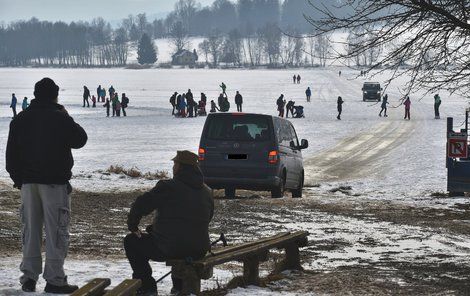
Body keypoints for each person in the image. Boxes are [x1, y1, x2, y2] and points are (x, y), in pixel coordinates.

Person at [6, 78, 87, 293]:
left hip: (28, 183)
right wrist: (64, 114)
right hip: (54, 183)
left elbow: (10, 155)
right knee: (57, 232)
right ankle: (54, 279)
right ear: (55, 95)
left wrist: (18, 180)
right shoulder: (59, 117)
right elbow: (80, 139)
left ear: (35, 94)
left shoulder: (20, 119)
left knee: (30, 231)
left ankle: (29, 277)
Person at [124, 150, 214, 295]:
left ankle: (147, 286)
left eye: (175, 163)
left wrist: (133, 225)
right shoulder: (207, 191)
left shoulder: (168, 187)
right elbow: (205, 218)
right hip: (199, 249)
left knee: (131, 242)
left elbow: (141, 203)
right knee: (177, 239)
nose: (173, 167)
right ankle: (178, 286)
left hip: (171, 247)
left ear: (181, 167)